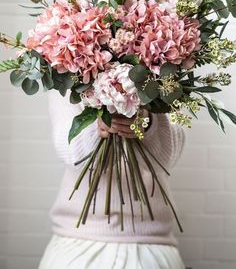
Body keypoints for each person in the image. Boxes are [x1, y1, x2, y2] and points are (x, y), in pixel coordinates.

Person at [38, 90, 186, 269]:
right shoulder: (60, 73)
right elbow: (70, 150)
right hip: (77, 240)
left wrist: (146, 123)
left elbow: (168, 157)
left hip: (149, 242)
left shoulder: (170, 76)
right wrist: (99, 125)